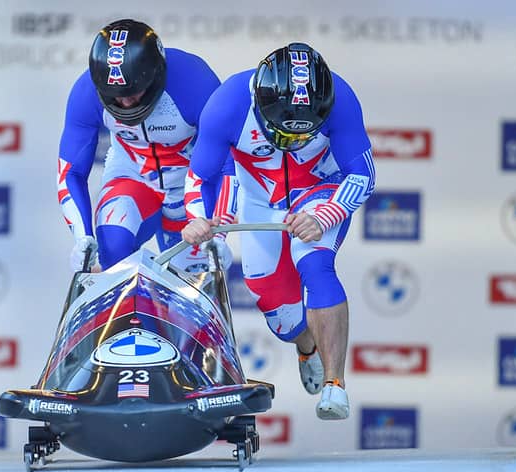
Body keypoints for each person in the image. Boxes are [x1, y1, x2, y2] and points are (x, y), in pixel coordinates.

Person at [182, 42, 376, 420]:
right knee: (278, 312)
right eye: (283, 135)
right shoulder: (227, 105)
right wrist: (199, 218)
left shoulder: (341, 99)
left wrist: (326, 214)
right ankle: (306, 344)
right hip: (260, 201)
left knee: (315, 264)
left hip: (319, 189)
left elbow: (363, 173)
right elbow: (200, 175)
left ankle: (335, 386)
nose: (292, 143)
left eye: (303, 136)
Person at [57, 18, 232, 273]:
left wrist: (219, 232)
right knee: (113, 244)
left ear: (155, 75)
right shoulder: (85, 93)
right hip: (133, 176)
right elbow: (70, 171)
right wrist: (83, 237)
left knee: (193, 283)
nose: (125, 103)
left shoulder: (196, 83)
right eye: (115, 95)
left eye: (133, 91)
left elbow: (227, 162)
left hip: (192, 185)